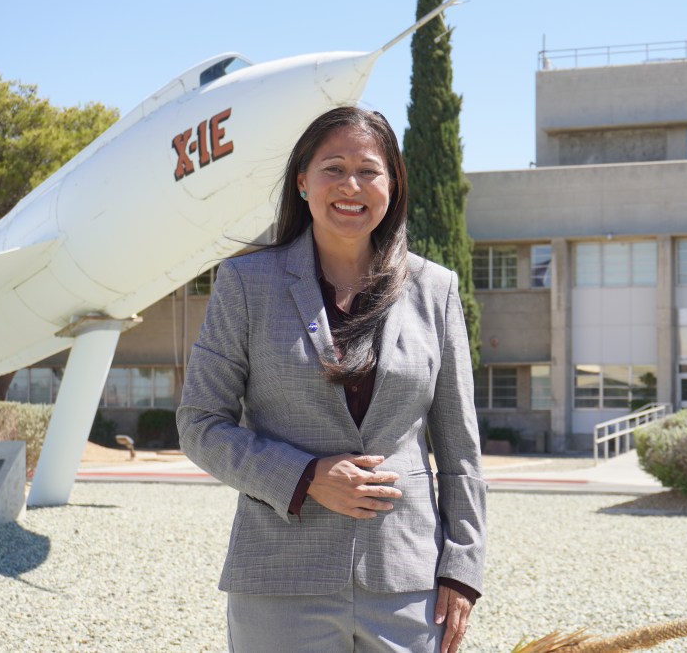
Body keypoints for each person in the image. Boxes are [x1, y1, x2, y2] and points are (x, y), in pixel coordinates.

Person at [177, 106, 486, 653]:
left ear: (391, 185)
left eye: (369, 170)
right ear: (302, 182)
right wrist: (304, 476)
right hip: (279, 580)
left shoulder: (435, 289)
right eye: (333, 168)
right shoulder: (246, 284)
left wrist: (462, 567)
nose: (351, 185)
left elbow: (459, 446)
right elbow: (201, 423)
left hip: (408, 583)